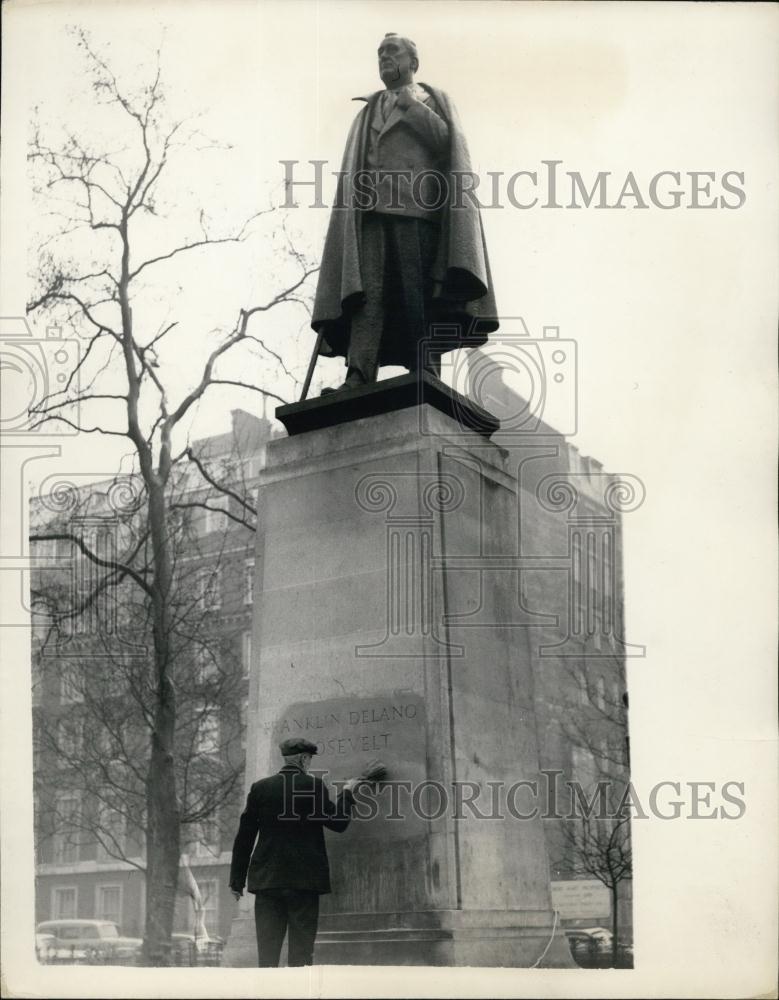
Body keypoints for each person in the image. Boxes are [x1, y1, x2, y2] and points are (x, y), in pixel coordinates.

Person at [312, 32, 499, 394]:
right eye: (380, 52)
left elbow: (447, 143)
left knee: (417, 295)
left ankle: (425, 368)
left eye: (392, 51)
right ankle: (359, 373)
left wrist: (412, 106)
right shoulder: (367, 110)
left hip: (417, 212)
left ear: (413, 63)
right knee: (366, 295)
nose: (384, 57)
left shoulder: (432, 100)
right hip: (370, 215)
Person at [229, 737, 384, 967]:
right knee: (301, 957)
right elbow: (338, 823)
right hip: (304, 882)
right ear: (303, 759)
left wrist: (236, 880)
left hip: (267, 882)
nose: (309, 763)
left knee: (267, 957)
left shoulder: (260, 788)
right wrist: (348, 794)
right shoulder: (313, 786)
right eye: (309, 759)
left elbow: (244, 838)